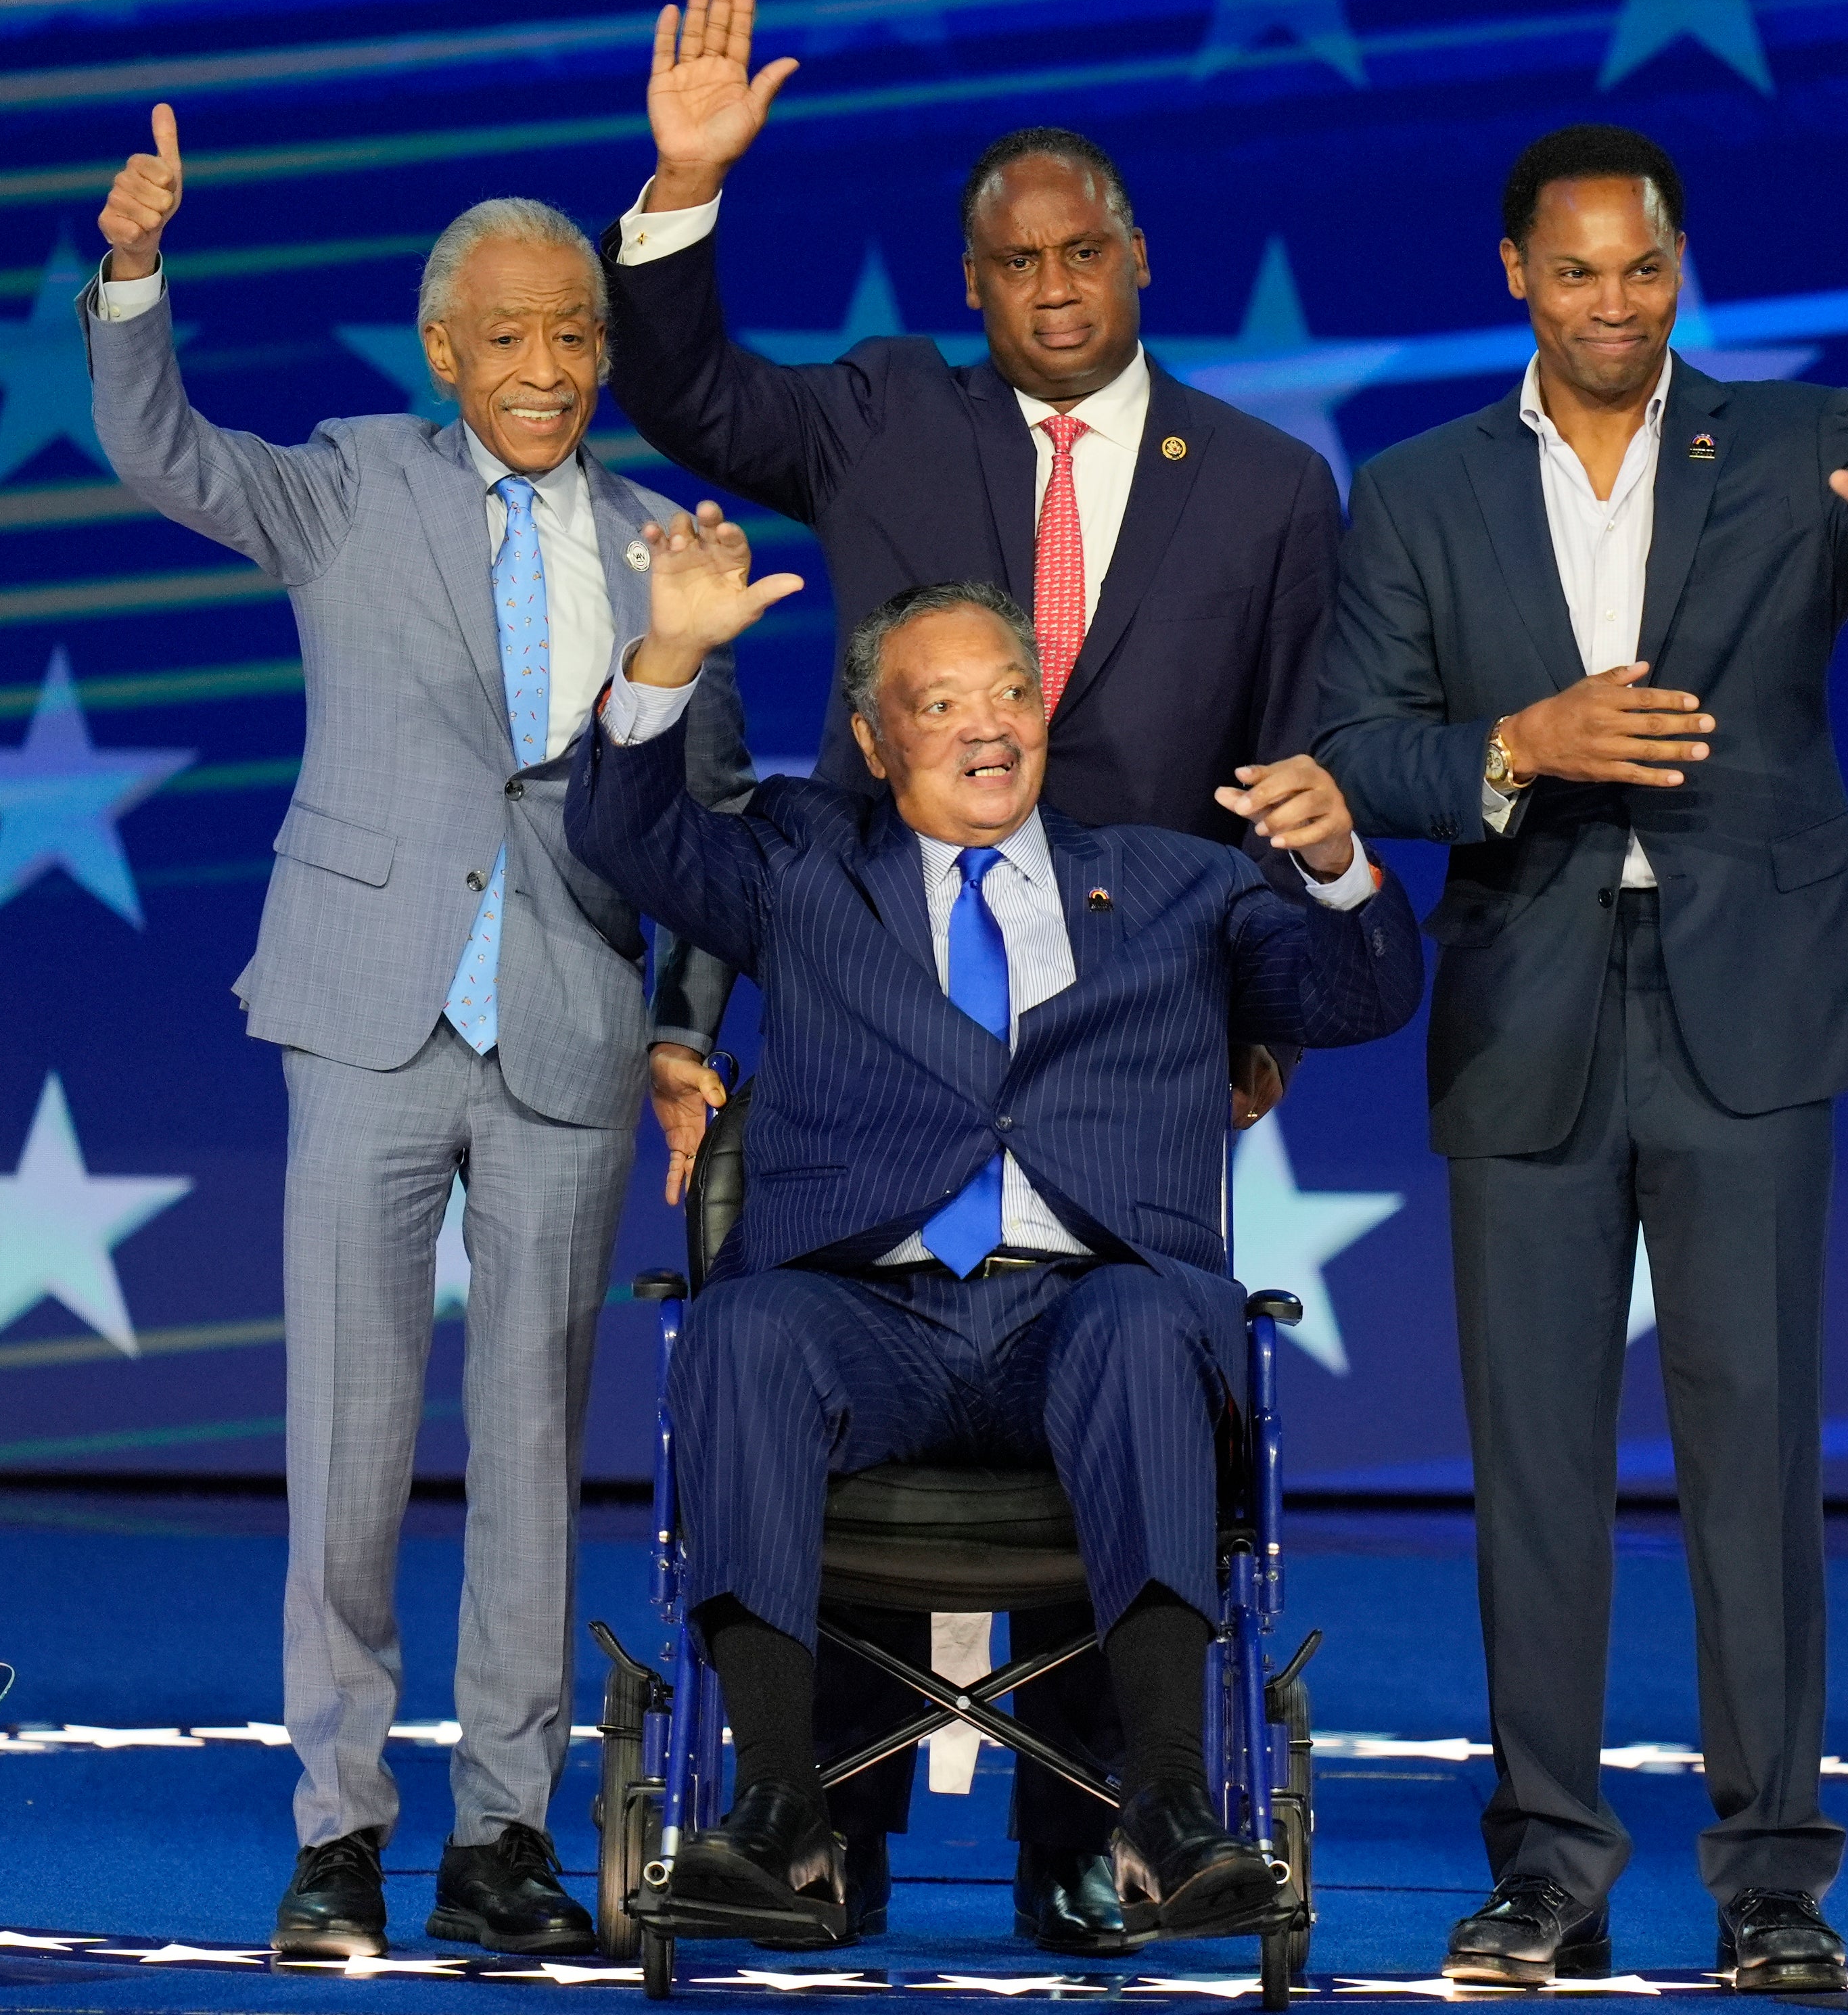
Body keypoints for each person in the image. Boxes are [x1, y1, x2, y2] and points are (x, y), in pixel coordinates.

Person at [597, 0, 1347, 1947]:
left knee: (1122, 1350)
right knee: (797, 1326)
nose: (1053, 282)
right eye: (1012, 260)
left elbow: (1292, 769)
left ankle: (1111, 1837)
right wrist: (681, 196)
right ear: (975, 282)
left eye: (1084, 247)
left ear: (1137, 259)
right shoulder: (880, 415)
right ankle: (805, 1828)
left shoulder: (1269, 490)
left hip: (1138, 1030)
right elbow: (685, 395)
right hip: (877, 1008)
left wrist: (1255, 1012)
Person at [1312, 124, 1848, 1995]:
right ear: (1515, 278)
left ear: (1678, 267)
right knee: (1536, 1475)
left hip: (1753, 1017)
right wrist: (1522, 742)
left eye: (1644, 270)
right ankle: (1548, 1869)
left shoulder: (1795, 442)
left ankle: (1775, 1878)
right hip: (1530, 1011)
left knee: (1756, 1459)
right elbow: (1362, 750)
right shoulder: (1414, 492)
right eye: (1578, 273)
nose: (1615, 303)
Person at [85, 104, 754, 1961]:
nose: (547, 368)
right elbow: (161, 452)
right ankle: (338, 1827)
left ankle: (502, 1840)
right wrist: (135, 277)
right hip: (368, 1006)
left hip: (570, 1028)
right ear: (444, 354)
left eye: (576, 339)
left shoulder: (659, 548)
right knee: (354, 1434)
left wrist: (686, 1030)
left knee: (533, 1440)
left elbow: (707, 826)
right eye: (512, 338)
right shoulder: (346, 480)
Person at [565, 519, 1421, 1948]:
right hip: (867, 1320)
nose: (984, 728)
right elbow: (623, 831)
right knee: (739, 1326)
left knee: (1152, 1322)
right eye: (940, 704)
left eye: (1007, 694)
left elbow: (1361, 998)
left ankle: (1164, 1808)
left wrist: (1337, 866)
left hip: (1086, 1314)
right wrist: (667, 657)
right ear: (873, 737)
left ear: (1044, 711)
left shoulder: (1177, 883)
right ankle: (778, 1812)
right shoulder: (799, 862)